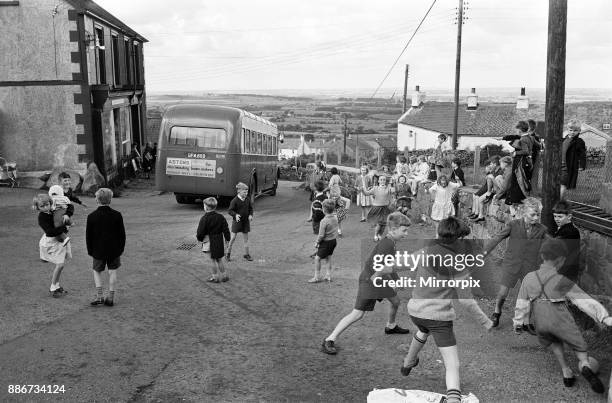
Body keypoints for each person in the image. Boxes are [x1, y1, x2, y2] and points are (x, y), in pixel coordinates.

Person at [400, 217, 493, 403]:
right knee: (453, 365)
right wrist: (485, 321)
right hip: (438, 317)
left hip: (416, 312)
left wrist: (378, 272)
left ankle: (408, 362)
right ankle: (454, 399)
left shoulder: (426, 251)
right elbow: (466, 301)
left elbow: (399, 263)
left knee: (423, 329)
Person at [513, 238, 612, 394]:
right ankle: (585, 365)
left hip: (541, 320)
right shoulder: (560, 280)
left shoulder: (529, 278)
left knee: (554, 341)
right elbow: (583, 300)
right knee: (578, 345)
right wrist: (604, 317)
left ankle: (566, 371)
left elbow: (521, 303)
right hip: (559, 318)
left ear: (542, 256)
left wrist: (519, 323)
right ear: (561, 260)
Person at [321, 212, 412, 355]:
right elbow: (378, 268)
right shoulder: (387, 244)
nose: (406, 234)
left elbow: (389, 265)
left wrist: (396, 280)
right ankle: (329, 339)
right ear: (393, 230)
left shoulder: (391, 242)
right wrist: (393, 282)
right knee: (357, 314)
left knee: (395, 301)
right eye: (404, 230)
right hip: (369, 281)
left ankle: (391, 326)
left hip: (378, 279)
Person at [483, 197, 549, 327]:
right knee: (503, 292)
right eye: (533, 214)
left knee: (530, 295)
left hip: (529, 266)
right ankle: (497, 312)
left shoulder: (542, 230)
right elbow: (498, 238)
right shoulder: (513, 225)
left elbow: (550, 245)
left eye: (538, 215)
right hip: (511, 264)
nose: (536, 218)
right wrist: (485, 253)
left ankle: (526, 321)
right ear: (524, 212)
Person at [86, 188, 126, 307]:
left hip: (98, 250)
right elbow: (122, 234)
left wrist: (90, 250)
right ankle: (110, 298)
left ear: (97, 200)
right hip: (114, 250)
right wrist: (120, 249)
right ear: (110, 199)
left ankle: (99, 296)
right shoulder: (117, 215)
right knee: (112, 272)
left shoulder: (92, 216)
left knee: (96, 271)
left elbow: (89, 236)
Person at [34, 194, 72, 297]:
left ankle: (57, 286)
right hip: (51, 242)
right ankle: (53, 287)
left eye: (47, 204)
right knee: (60, 265)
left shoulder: (53, 211)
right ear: (38, 207)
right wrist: (64, 229)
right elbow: (50, 232)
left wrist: (67, 216)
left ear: (50, 203)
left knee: (61, 265)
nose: (46, 207)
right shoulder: (42, 217)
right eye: (42, 206)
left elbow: (69, 207)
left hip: (59, 241)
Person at [197, 197, 231, 283]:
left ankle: (215, 277)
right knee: (219, 259)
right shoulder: (220, 217)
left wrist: (199, 238)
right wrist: (227, 239)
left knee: (212, 260)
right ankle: (224, 276)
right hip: (219, 240)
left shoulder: (204, 218)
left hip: (209, 241)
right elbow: (226, 229)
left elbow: (200, 232)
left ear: (206, 207)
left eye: (204, 205)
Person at [309, 199, 338, 283]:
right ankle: (328, 275)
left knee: (317, 259)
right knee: (328, 258)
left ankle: (316, 277)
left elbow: (321, 235)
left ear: (324, 210)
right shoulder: (335, 217)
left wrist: (317, 242)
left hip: (326, 242)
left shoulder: (324, 221)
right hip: (333, 241)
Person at [552, 201, 581, 282]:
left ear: (569, 216)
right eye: (555, 216)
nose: (556, 219)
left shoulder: (570, 232)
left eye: (560, 217)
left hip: (566, 272)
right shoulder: (563, 228)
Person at [226, 182, 253, 262]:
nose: (246, 193)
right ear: (239, 191)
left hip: (245, 222)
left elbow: (251, 208)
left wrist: (251, 215)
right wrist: (235, 215)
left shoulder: (247, 199)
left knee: (246, 239)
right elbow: (230, 210)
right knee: (233, 238)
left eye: (247, 192)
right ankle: (228, 254)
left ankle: (247, 254)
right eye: (244, 192)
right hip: (237, 222)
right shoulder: (234, 200)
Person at [560, 119, 586, 200]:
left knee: (563, 184)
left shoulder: (579, 141)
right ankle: (560, 200)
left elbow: (582, 154)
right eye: (571, 130)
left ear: (579, 131)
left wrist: (582, 165)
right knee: (557, 184)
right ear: (568, 130)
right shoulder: (563, 140)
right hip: (558, 166)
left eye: (575, 130)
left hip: (568, 167)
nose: (572, 132)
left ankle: (559, 201)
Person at [363, 174, 394, 241]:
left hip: (385, 208)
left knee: (384, 224)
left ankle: (380, 235)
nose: (382, 181)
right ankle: (375, 235)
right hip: (377, 208)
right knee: (379, 224)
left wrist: (392, 182)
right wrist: (363, 188)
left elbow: (393, 194)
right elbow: (366, 193)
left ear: (386, 181)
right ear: (379, 181)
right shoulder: (375, 188)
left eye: (384, 180)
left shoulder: (388, 188)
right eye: (381, 180)